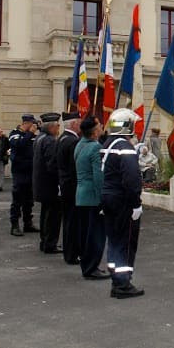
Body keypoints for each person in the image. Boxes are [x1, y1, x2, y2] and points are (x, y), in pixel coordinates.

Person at [101, 108, 145, 298]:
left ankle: (116, 277)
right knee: (125, 243)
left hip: (108, 197)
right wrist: (135, 204)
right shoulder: (124, 147)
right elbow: (131, 179)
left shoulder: (107, 144)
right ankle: (122, 283)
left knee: (114, 241)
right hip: (122, 201)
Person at [74, 116, 110, 280]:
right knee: (95, 235)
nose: (102, 126)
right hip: (92, 196)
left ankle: (87, 266)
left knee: (85, 233)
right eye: (99, 125)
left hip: (81, 194)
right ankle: (91, 268)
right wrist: (103, 198)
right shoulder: (96, 147)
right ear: (95, 132)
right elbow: (99, 176)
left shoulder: (80, 144)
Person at [33, 113, 62, 254]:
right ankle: (50, 243)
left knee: (46, 214)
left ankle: (44, 241)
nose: (59, 128)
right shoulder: (50, 141)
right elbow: (52, 164)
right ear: (51, 127)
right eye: (57, 126)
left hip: (41, 183)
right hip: (50, 184)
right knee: (53, 216)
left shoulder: (39, 138)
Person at [57, 111, 81, 265]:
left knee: (68, 220)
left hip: (65, 185)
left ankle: (69, 251)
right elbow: (75, 166)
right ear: (73, 124)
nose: (81, 125)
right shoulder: (72, 141)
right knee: (73, 221)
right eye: (79, 122)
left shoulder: (62, 138)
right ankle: (72, 254)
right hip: (72, 186)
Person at [8, 115, 39, 237]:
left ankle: (28, 223)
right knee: (17, 200)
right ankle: (14, 225)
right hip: (19, 172)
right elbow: (18, 145)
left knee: (29, 200)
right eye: (32, 125)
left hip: (31, 171)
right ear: (26, 123)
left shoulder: (32, 136)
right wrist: (29, 134)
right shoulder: (15, 134)